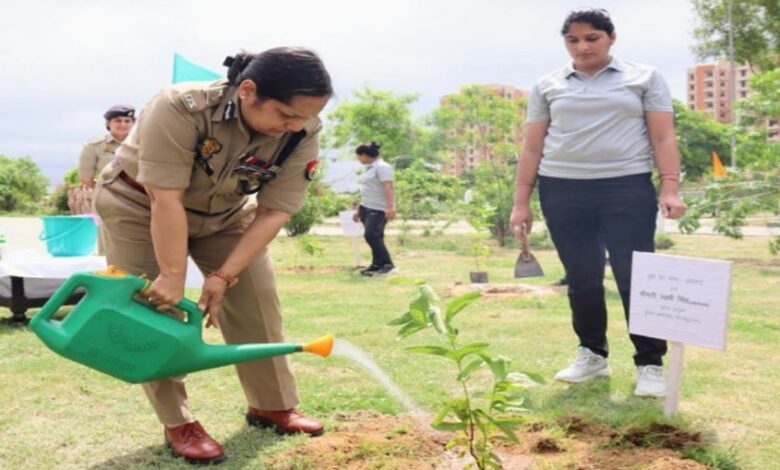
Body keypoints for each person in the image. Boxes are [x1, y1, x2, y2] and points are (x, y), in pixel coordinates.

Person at [93, 47, 332, 465]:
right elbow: (164, 196)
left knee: (256, 300)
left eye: (304, 118)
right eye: (284, 114)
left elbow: (275, 210)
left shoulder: (302, 128)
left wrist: (223, 275)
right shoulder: (179, 106)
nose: (293, 127)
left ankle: (272, 404)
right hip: (139, 205)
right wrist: (171, 274)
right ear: (247, 90)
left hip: (224, 214)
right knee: (155, 313)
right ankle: (178, 422)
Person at [509, 8, 687, 398]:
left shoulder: (644, 77)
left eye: (592, 38)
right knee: (582, 277)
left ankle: (650, 363)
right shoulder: (548, 85)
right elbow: (532, 145)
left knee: (635, 276)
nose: (582, 46)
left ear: (611, 37)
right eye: (573, 40)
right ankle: (592, 353)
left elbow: (663, 138)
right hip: (563, 189)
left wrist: (669, 187)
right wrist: (521, 201)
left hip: (626, 187)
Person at [69, 105, 135, 215]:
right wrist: (105, 192)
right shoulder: (93, 146)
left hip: (139, 199)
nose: (123, 124)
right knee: (107, 231)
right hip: (107, 199)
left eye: (127, 121)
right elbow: (86, 178)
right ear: (108, 123)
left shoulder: (142, 145)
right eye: (118, 121)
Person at [351, 142, 396, 276]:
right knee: (377, 237)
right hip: (366, 206)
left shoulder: (382, 167)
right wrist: (359, 210)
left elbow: (388, 187)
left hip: (378, 207)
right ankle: (377, 264)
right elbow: (367, 190)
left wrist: (390, 207)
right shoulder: (370, 168)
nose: (358, 159)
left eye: (358, 156)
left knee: (371, 235)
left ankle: (388, 264)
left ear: (364, 155)